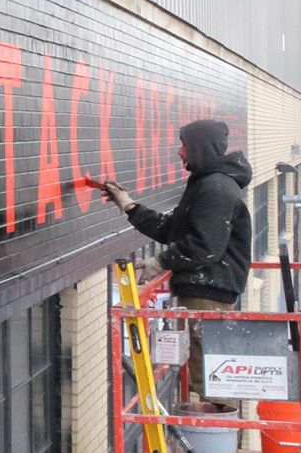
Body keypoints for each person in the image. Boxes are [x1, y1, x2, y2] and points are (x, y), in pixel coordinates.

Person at [98, 118, 254, 389]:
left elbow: (204, 249)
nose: (179, 152)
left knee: (207, 375)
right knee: (202, 370)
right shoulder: (207, 183)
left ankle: (209, 428)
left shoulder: (215, 188)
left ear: (199, 147)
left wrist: (157, 263)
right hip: (205, 292)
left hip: (208, 296)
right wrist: (129, 206)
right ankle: (207, 425)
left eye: (184, 145)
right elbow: (173, 230)